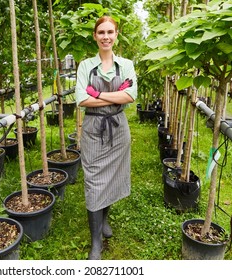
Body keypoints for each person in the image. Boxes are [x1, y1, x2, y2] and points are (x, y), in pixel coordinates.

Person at [75, 15, 137, 260]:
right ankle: (95, 242)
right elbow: (82, 99)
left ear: (116, 35)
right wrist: (115, 94)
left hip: (118, 129)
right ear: (95, 36)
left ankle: (104, 221)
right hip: (93, 129)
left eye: (110, 32)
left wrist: (98, 93)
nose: (106, 37)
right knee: (93, 182)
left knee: (112, 178)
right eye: (101, 32)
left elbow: (130, 96)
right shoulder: (85, 66)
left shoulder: (126, 65)